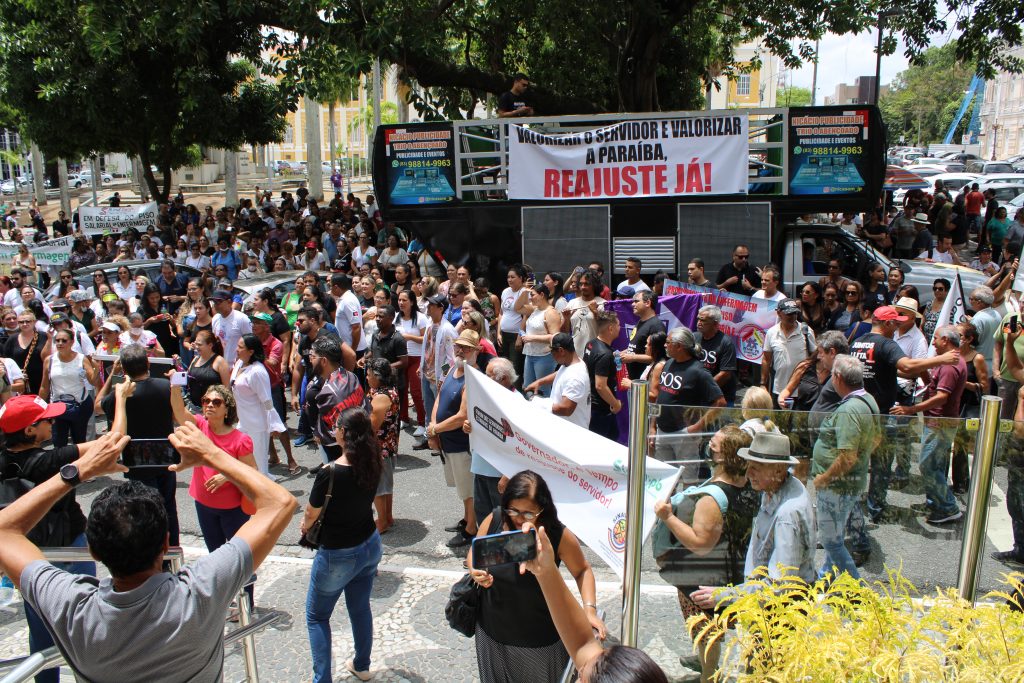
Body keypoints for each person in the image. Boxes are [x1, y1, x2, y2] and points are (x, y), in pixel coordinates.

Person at [0, 414, 296, 682]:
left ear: (95, 552)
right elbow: (279, 503)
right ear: (165, 542)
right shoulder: (202, 591)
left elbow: (5, 531)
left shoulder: (70, 608)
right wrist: (212, 454)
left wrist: (76, 472)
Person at [0, 385, 130, 683]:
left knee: (40, 629)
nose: (52, 422)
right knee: (86, 619)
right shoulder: (47, 462)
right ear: (30, 430)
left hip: (29, 555)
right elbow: (113, 441)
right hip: (70, 549)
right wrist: (120, 398)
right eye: (46, 419)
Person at [468, 471, 605, 683]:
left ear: (543, 510)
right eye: (513, 510)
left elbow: (582, 570)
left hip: (540, 640)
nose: (519, 519)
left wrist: (590, 610)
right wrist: (474, 570)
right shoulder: (495, 519)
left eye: (528, 513)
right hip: (493, 634)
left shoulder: (557, 534)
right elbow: (475, 551)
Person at [653, 424, 755, 681]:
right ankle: (703, 662)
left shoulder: (712, 498)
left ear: (725, 456)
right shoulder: (747, 484)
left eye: (715, 444)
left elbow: (700, 543)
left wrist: (667, 517)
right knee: (710, 628)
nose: (710, 443)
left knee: (704, 629)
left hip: (705, 577)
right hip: (733, 568)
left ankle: (709, 675)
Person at [851, 307, 961, 521]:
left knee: (859, 462)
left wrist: (921, 372)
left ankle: (855, 504)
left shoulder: (859, 341)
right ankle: (876, 509)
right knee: (882, 465)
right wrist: (942, 360)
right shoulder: (887, 344)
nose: (898, 327)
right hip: (881, 414)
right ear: (888, 324)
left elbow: (895, 369)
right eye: (896, 323)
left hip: (859, 411)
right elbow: (907, 364)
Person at [689, 431, 816, 609]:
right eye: (749, 466)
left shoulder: (787, 515)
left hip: (779, 612)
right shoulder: (778, 486)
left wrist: (724, 596)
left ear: (778, 470)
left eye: (756, 468)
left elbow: (779, 586)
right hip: (762, 601)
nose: (748, 473)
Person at [303, 408, 383, 683]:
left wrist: (304, 527)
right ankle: (362, 664)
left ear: (345, 433)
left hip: (338, 552)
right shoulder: (373, 460)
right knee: (360, 607)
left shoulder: (330, 473)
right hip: (369, 544)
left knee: (316, 616)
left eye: (336, 425)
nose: (333, 428)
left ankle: (321, 679)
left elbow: (310, 514)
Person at [168, 381, 259, 609]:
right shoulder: (199, 426)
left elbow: (253, 471)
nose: (209, 406)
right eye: (206, 401)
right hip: (204, 504)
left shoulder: (240, 439)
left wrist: (226, 476)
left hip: (233, 509)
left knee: (239, 558)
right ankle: (225, 601)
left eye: (216, 402)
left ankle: (246, 602)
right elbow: (179, 412)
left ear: (227, 409)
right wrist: (175, 386)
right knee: (215, 556)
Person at [96, 344, 182, 546]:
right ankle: (173, 548)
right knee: (169, 506)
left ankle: (153, 549)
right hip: (166, 456)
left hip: (137, 460)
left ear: (124, 369)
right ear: (148, 363)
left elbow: (97, 406)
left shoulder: (121, 394)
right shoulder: (165, 386)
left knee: (146, 509)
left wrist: (112, 377)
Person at [812, 355, 879, 581]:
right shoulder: (868, 400)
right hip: (849, 483)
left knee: (831, 541)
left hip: (838, 486)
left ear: (838, 377)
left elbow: (847, 457)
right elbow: (876, 439)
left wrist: (824, 478)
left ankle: (856, 587)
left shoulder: (850, 410)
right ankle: (824, 579)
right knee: (836, 536)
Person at [891, 325, 967, 524]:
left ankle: (948, 507)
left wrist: (911, 410)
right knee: (937, 465)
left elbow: (942, 397)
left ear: (946, 341)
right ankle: (936, 503)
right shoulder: (949, 361)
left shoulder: (950, 366)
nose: (933, 342)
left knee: (928, 466)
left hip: (939, 423)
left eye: (936, 339)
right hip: (938, 421)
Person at [426, 330, 482, 547]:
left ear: (475, 351)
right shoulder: (452, 369)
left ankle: (471, 528)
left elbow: (462, 416)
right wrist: (433, 426)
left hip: (461, 444)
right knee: (461, 487)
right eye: (459, 346)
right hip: (446, 440)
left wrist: (435, 430)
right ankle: (467, 519)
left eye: (466, 348)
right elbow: (439, 398)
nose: (461, 350)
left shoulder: (473, 377)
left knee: (468, 489)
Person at [653, 327, 726, 479]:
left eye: (668, 342)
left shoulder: (699, 371)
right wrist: (653, 426)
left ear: (679, 346)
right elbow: (660, 397)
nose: (665, 345)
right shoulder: (668, 364)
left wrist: (696, 427)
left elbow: (720, 402)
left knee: (688, 480)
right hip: (662, 431)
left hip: (684, 435)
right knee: (663, 479)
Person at [231, 334, 286, 477]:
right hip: (243, 422)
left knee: (259, 466)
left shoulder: (258, 371)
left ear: (251, 351)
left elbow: (267, 401)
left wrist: (273, 424)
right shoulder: (238, 364)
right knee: (242, 460)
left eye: (241, 347)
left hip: (257, 425)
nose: (237, 349)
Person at [38, 328, 99, 447]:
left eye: (64, 340)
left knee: (79, 441)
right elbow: (44, 387)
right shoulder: (49, 360)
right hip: (57, 407)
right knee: (59, 442)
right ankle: (61, 465)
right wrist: (40, 407)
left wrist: (96, 367)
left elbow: (92, 381)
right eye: (57, 340)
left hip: (80, 405)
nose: (60, 343)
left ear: (71, 342)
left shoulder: (81, 359)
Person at [525, 332, 592, 429]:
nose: (552, 356)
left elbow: (566, 409)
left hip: (571, 433)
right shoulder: (573, 362)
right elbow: (561, 373)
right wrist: (539, 382)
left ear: (561, 351)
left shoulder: (575, 377)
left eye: (553, 353)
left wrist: (536, 401)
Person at [366, 358, 399, 534]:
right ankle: (387, 516)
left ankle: (383, 521)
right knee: (386, 484)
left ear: (378, 377)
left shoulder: (380, 397)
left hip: (380, 447)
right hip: (388, 444)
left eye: (369, 375)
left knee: (378, 486)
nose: (367, 378)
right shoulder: (389, 391)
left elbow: (371, 427)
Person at [418, 295, 458, 446]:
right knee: (428, 407)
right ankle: (429, 437)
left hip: (437, 376)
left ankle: (440, 438)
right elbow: (427, 349)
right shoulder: (429, 324)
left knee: (439, 409)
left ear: (441, 308)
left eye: (433, 305)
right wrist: (421, 365)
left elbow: (452, 358)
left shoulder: (448, 329)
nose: (429, 307)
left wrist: (442, 374)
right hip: (426, 374)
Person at [762, 299, 815, 405]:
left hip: (801, 390)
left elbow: (814, 356)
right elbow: (766, 359)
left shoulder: (806, 331)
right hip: (778, 389)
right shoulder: (772, 333)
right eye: (789, 313)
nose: (793, 316)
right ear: (779, 313)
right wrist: (763, 384)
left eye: (795, 313)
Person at [522, 283, 561, 397]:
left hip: (545, 356)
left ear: (542, 295)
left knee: (543, 389)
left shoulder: (551, 312)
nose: (530, 298)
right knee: (527, 387)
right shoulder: (535, 309)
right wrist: (524, 291)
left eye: (532, 295)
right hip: (530, 354)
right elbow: (517, 307)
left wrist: (532, 338)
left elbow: (555, 337)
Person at [696, 305, 738, 406]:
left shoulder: (726, 343)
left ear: (715, 324)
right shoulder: (694, 338)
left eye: (703, 320)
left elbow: (725, 373)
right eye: (698, 319)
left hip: (720, 397)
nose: (699, 323)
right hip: (698, 395)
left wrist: (705, 388)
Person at [620, 290, 664, 380]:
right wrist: (626, 352)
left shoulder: (656, 325)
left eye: (636, 301)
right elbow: (638, 347)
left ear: (647, 303)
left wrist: (632, 357)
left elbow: (657, 358)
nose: (632, 304)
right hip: (634, 380)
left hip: (644, 383)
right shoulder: (641, 321)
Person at [564, 269, 606, 358]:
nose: (583, 287)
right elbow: (565, 331)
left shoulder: (603, 304)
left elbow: (607, 330)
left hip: (595, 354)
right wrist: (566, 318)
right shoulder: (572, 303)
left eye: (587, 284)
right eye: (581, 284)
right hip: (575, 354)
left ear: (595, 285)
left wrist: (595, 312)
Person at [968, 285, 1000, 367]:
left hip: (978, 363)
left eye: (971, 299)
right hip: (993, 363)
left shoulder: (978, 320)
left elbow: (971, 344)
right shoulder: (997, 314)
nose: (970, 302)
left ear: (979, 302)